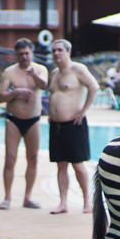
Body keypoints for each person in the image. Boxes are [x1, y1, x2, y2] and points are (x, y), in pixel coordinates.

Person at [46, 39, 98, 214]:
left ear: (68, 51)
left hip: (74, 124)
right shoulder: (54, 73)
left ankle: (87, 202)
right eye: (54, 50)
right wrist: (50, 113)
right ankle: (62, 203)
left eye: (60, 50)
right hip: (56, 125)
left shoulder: (77, 69)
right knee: (61, 165)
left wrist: (82, 111)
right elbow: (53, 95)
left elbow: (94, 87)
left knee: (78, 165)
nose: (56, 53)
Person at [0, 38, 48, 210]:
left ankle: (27, 198)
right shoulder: (9, 72)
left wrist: (33, 75)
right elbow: (1, 97)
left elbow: (44, 85)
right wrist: (15, 92)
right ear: (16, 55)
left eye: (26, 53)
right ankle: (7, 197)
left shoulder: (41, 69)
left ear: (32, 53)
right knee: (10, 158)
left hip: (33, 120)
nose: (24, 57)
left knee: (32, 158)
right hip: (13, 119)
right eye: (20, 54)